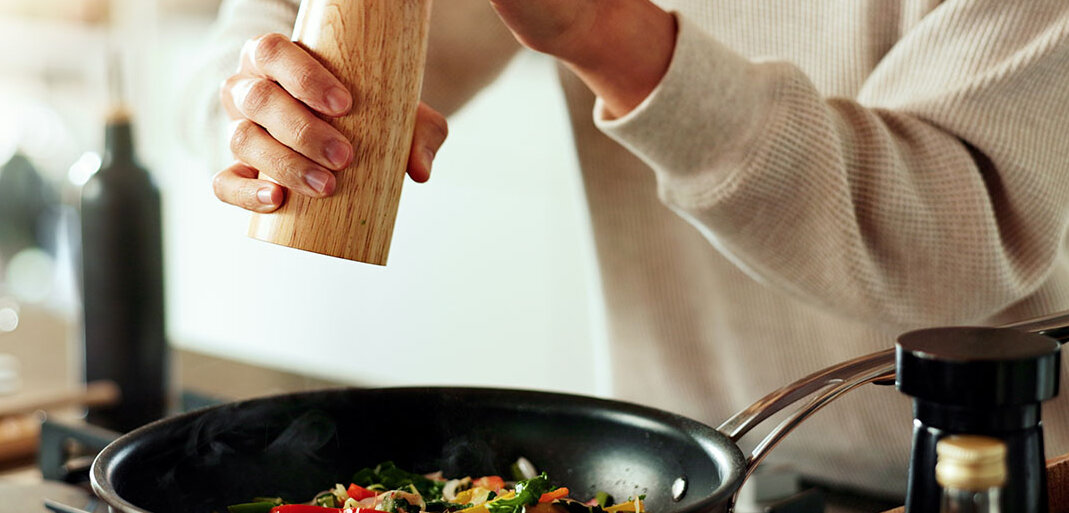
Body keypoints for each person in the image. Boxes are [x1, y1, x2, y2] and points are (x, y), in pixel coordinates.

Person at [196, 0, 1069, 498]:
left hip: (984, 481)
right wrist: (265, 107)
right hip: (674, 471)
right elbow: (256, 43)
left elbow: (956, 246)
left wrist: (610, 35)